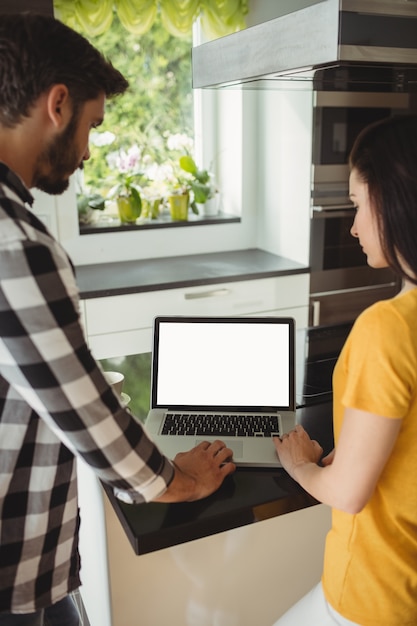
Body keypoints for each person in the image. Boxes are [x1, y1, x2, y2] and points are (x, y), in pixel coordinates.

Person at [0, 13, 235, 625]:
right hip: (13, 578)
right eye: (92, 125)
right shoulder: (15, 243)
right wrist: (178, 480)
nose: (86, 151)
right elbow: (90, 423)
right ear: (58, 104)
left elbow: (47, 377)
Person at [272, 114, 417, 626]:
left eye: (357, 205)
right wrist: (356, 450)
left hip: (374, 595)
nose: (353, 226)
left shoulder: (388, 327)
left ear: (394, 198)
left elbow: (350, 494)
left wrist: (300, 465)